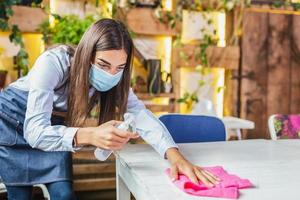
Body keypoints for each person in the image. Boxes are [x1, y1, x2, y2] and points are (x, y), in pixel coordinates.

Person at [0, 18, 219, 200]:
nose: (111, 74)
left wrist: (174, 155)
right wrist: (90, 134)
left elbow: (141, 115)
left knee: (64, 194)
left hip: (54, 127)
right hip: (12, 119)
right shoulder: (54, 62)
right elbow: (35, 131)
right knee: (19, 195)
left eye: (120, 67)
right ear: (87, 55)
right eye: (104, 65)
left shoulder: (116, 80)